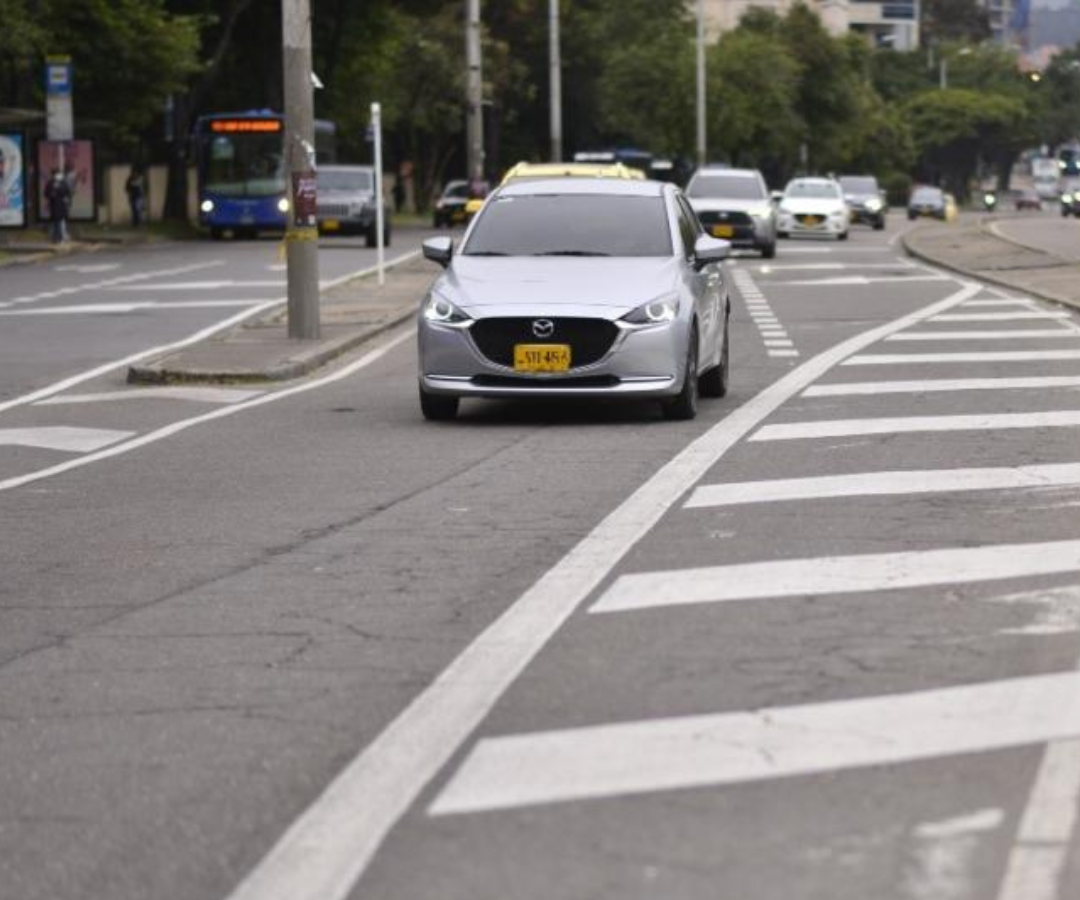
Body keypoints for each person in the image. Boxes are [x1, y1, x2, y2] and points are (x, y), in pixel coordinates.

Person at [43, 168, 72, 243]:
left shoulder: (63, 182)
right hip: (54, 204)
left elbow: (67, 192)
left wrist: (59, 189)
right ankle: (58, 237)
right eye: (56, 174)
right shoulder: (50, 183)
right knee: (57, 221)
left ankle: (59, 237)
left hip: (61, 204)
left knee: (59, 221)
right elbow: (46, 193)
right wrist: (52, 193)